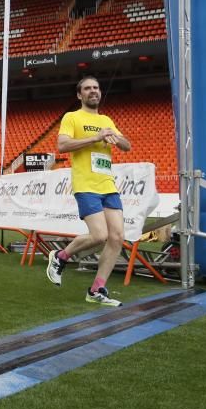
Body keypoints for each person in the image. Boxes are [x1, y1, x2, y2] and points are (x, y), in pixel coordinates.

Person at [46, 76, 131, 307]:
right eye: (87, 88)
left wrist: (116, 138)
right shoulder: (72, 117)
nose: (93, 91)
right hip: (86, 185)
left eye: (96, 88)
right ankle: (60, 256)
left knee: (116, 237)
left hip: (108, 186)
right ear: (79, 95)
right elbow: (62, 145)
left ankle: (96, 290)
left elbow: (127, 145)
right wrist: (96, 137)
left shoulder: (106, 119)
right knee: (99, 235)